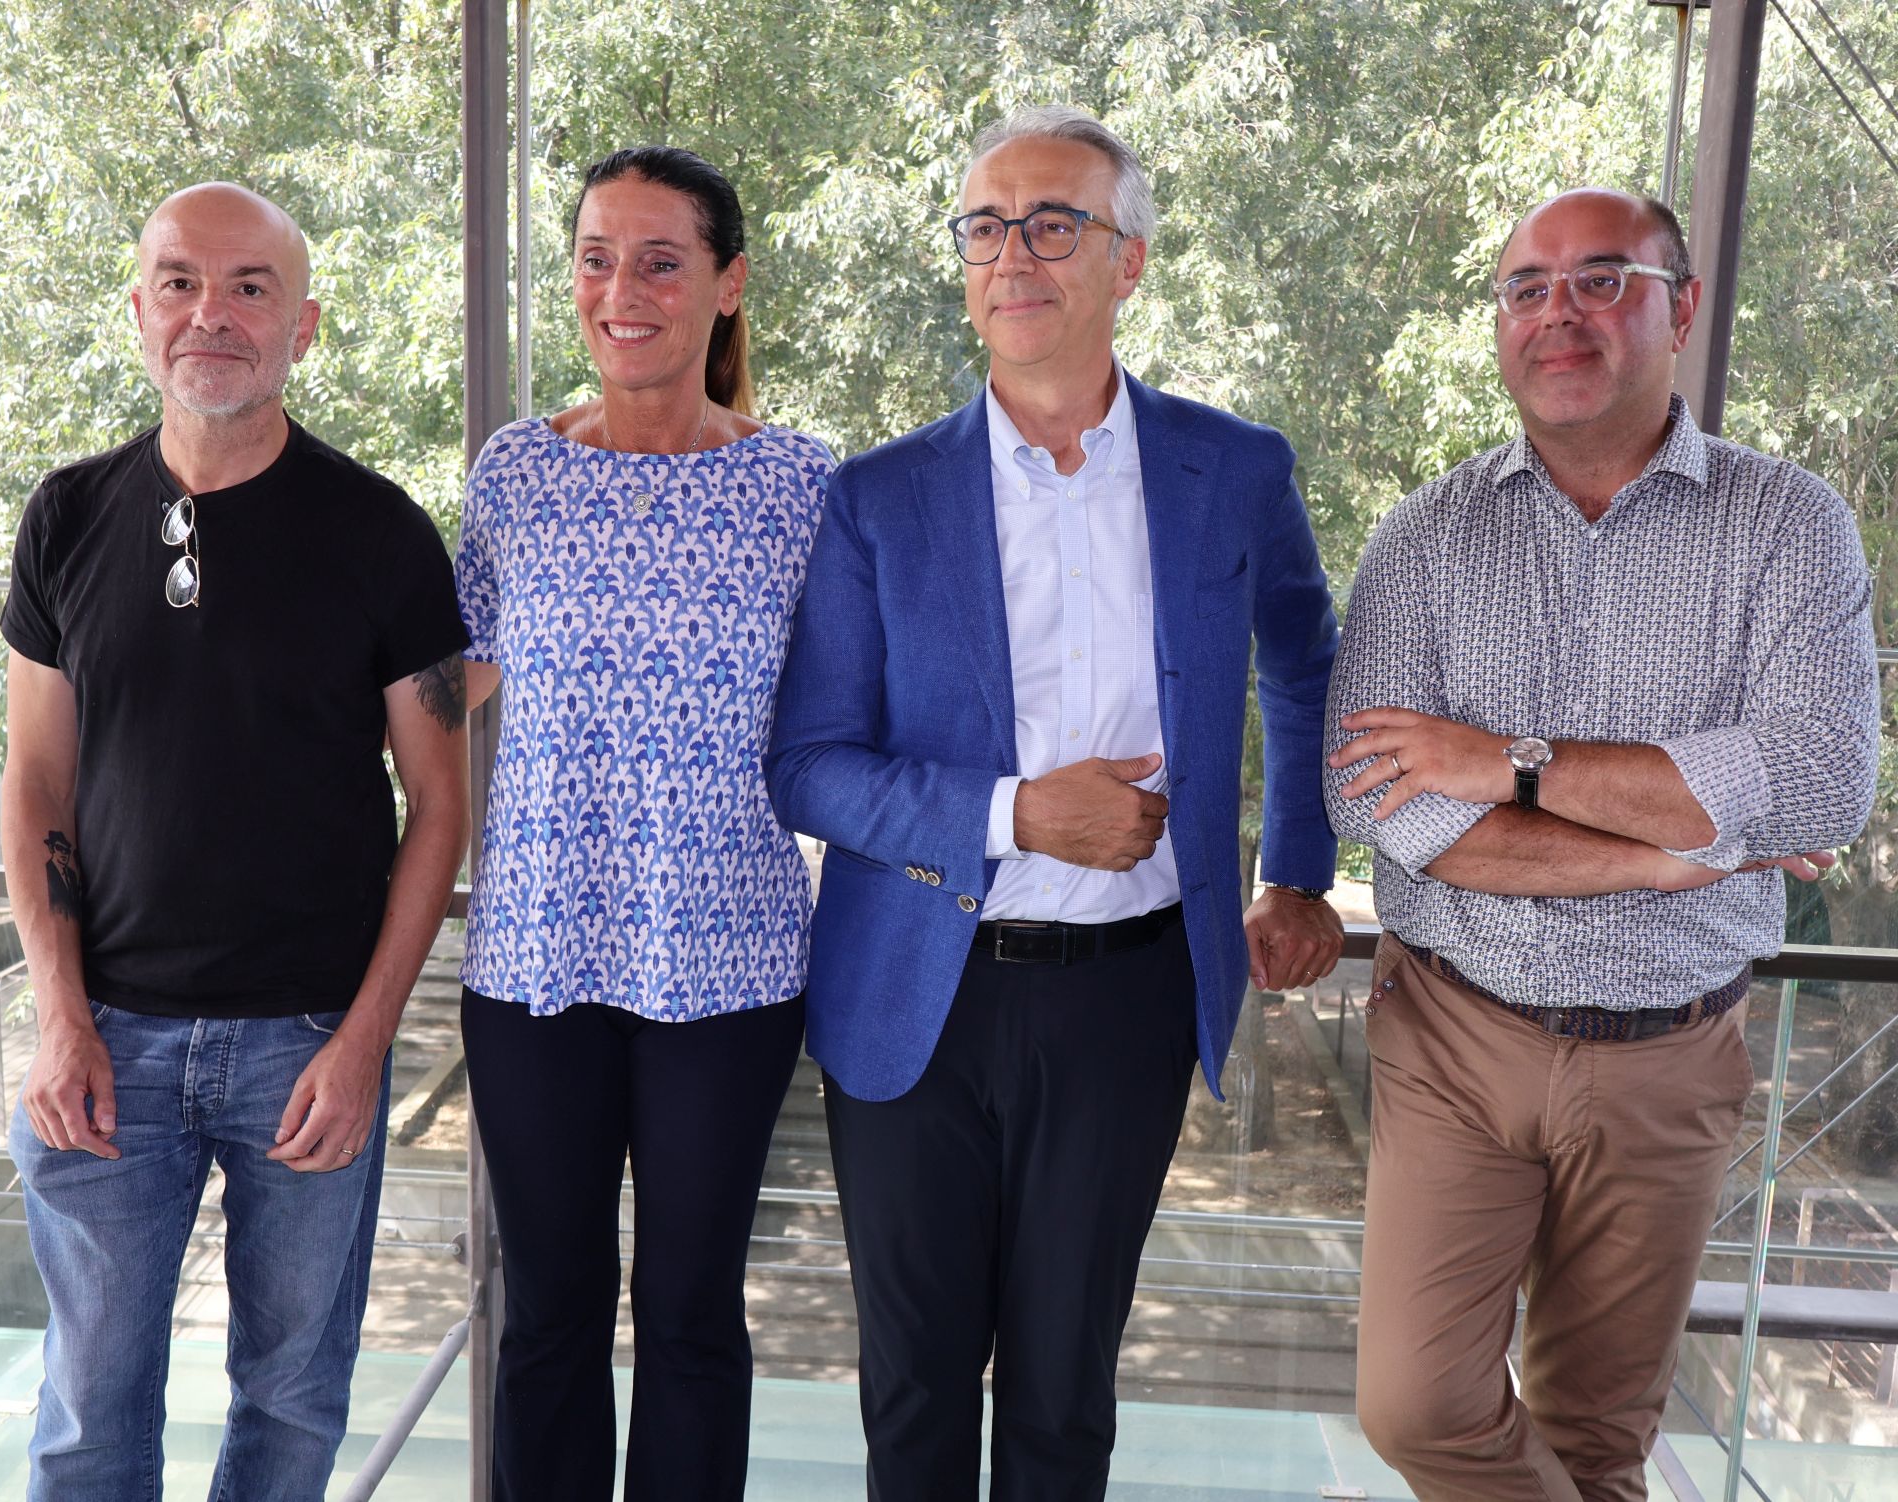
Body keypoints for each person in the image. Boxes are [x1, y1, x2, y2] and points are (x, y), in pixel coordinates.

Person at [766, 105, 1345, 1499]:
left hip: (1127, 999)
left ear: (1127, 261)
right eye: (985, 225)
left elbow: (1305, 653)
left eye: (1054, 222)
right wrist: (1017, 813)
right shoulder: (876, 496)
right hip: (916, 990)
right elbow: (810, 764)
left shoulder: (1234, 470)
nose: (1013, 251)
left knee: (1062, 1396)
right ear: (964, 266)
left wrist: (1300, 865)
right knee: (912, 1396)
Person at [1326, 187, 1879, 1502]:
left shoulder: (1790, 525)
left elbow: (1812, 786)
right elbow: (1390, 810)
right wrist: (1680, 844)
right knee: (1417, 1403)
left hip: (1673, 1051)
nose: (1557, 313)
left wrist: (1506, 761)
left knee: (1597, 1441)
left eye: (1601, 278)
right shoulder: (1422, 539)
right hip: (1455, 1034)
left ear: (1681, 306)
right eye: (1527, 287)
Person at [0, 182, 471, 1500]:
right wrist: (57, 1013)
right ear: (139, 310)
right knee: (89, 1408)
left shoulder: (379, 533)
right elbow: (35, 782)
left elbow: (438, 804)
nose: (213, 313)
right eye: (181, 282)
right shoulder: (67, 517)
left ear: (303, 324)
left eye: (251, 287)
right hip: (104, 1045)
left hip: (307, 1047)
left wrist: (366, 1039)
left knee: (294, 1400)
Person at [455, 145, 832, 1502]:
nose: (624, 289)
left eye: (662, 260)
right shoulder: (516, 473)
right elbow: (443, 697)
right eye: (598, 259)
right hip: (533, 969)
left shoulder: (801, 485)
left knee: (688, 1317)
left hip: (728, 971)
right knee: (548, 1315)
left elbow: (856, 715)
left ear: (727, 286)